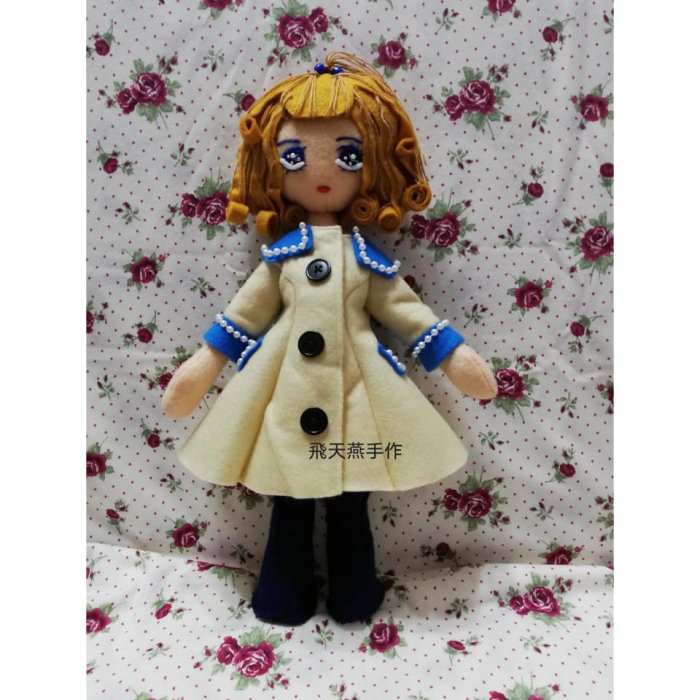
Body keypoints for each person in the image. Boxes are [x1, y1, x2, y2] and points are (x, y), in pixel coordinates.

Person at [162, 52, 497, 626]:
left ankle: (353, 592)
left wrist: (455, 357)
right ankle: (284, 590)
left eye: (348, 156)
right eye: (295, 156)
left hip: (358, 401)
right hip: (284, 399)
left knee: (350, 502)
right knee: (289, 500)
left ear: (374, 166)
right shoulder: (280, 260)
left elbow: (408, 314)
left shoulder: (365, 261)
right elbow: (242, 316)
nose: (322, 171)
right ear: (273, 166)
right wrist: (203, 364)